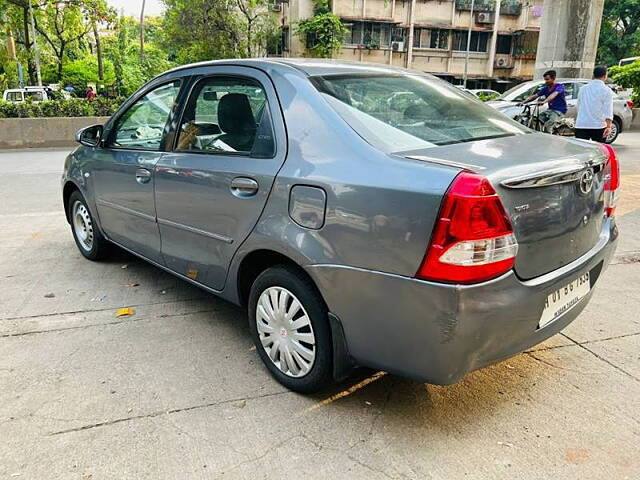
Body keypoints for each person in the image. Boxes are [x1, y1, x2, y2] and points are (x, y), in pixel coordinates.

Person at [575, 66, 615, 143]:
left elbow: (579, 106)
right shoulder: (606, 90)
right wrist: (609, 126)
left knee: (581, 151)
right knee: (599, 151)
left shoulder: (583, 88)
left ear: (593, 75)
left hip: (581, 124)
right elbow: (608, 110)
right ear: (605, 76)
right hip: (598, 126)